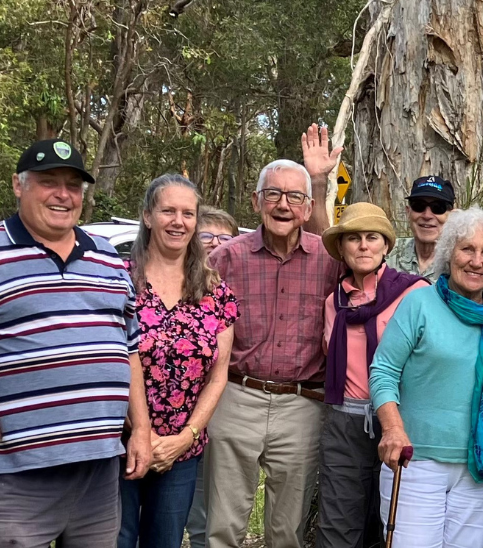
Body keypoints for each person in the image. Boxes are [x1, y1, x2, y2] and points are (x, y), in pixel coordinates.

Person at [0, 138, 153, 546]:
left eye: (73, 186)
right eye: (49, 181)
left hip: (99, 470)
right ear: (19, 185)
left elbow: (131, 349)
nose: (62, 195)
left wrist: (140, 428)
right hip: (21, 471)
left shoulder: (107, 258)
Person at [203, 124, 346, 548]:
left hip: (302, 405)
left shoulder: (330, 261)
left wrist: (318, 179)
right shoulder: (224, 259)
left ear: (307, 207)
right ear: (256, 202)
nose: (283, 205)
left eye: (295, 197)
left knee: (287, 530)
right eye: (273, 195)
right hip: (235, 397)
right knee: (224, 525)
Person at [370, 208, 483, 548]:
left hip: (482, 468)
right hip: (416, 462)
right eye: (467, 249)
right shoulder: (419, 303)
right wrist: (392, 429)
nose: (476, 261)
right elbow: (384, 371)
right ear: (448, 252)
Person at [119, 174, 237, 548]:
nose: (178, 221)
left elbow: (218, 375)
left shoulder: (215, 291)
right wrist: (141, 432)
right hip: (118, 441)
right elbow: (111, 360)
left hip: (180, 448)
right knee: (113, 539)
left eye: (188, 213)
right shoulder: (120, 281)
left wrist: (184, 438)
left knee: (165, 541)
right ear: (148, 217)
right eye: (168, 210)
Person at [318, 202, 429, 548]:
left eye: (372, 238)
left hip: (398, 420)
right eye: (353, 238)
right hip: (344, 422)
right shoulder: (333, 301)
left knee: (393, 521)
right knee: (338, 521)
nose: (363, 246)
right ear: (342, 248)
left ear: (385, 246)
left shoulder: (414, 292)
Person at [185, 203, 241, 548]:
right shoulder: (171, 283)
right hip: (170, 413)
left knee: (211, 500)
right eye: (207, 236)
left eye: (225, 237)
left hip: (226, 406)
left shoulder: (228, 292)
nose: (216, 244)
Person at [387, 175, 455, 282]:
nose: (427, 215)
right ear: (408, 212)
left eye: (438, 207)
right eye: (419, 206)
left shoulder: (461, 261)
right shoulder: (387, 252)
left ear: (453, 215)